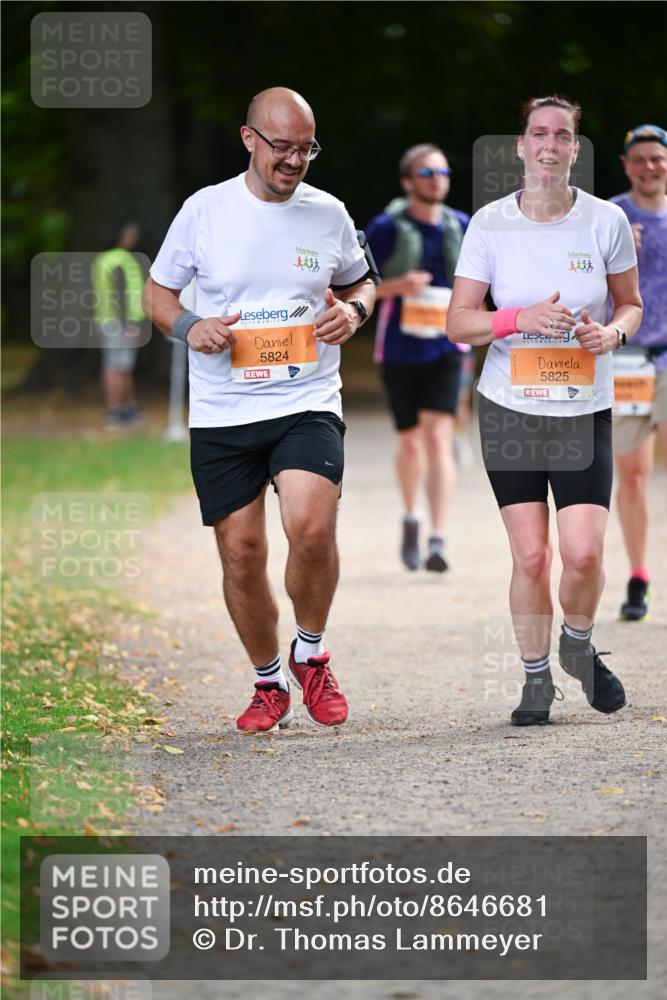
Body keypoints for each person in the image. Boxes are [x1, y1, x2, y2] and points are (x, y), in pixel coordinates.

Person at [142, 88, 376, 733]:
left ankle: (312, 652)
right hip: (223, 410)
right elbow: (158, 293)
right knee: (242, 553)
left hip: (306, 400)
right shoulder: (205, 210)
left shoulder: (328, 212)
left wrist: (354, 311)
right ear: (249, 139)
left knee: (312, 528)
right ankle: (268, 681)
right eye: (283, 147)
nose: (295, 160)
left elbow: (362, 280)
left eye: (307, 148)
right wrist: (189, 325)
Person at [448, 95, 642, 726]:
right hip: (511, 409)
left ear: (575, 149)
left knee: (583, 553)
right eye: (539, 134)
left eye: (562, 135)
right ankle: (535, 678)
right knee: (531, 555)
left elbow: (631, 305)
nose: (550, 145)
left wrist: (612, 333)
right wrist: (516, 318)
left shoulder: (606, 220)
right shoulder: (490, 224)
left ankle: (577, 644)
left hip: (584, 408)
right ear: (522, 146)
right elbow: (459, 323)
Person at [365, 144, 470, 572]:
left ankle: (438, 538)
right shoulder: (386, 227)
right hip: (399, 348)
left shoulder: (462, 225)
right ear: (408, 182)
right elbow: (355, 286)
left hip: (448, 347)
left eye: (442, 172)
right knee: (410, 440)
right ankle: (411, 517)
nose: (436, 179)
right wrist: (398, 286)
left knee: (439, 440)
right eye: (426, 173)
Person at [609, 124, 667, 621]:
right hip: (625, 359)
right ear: (627, 166)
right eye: (641, 159)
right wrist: (614, 250)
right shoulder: (609, 217)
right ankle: (638, 575)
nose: (650, 166)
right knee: (632, 476)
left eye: (658, 158)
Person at [93, 222, 146, 428]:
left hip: (107, 320)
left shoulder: (103, 259)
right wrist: (130, 323)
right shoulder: (121, 260)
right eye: (130, 235)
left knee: (120, 365)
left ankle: (126, 408)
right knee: (116, 366)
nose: (133, 239)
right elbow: (120, 292)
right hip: (119, 322)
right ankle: (115, 410)